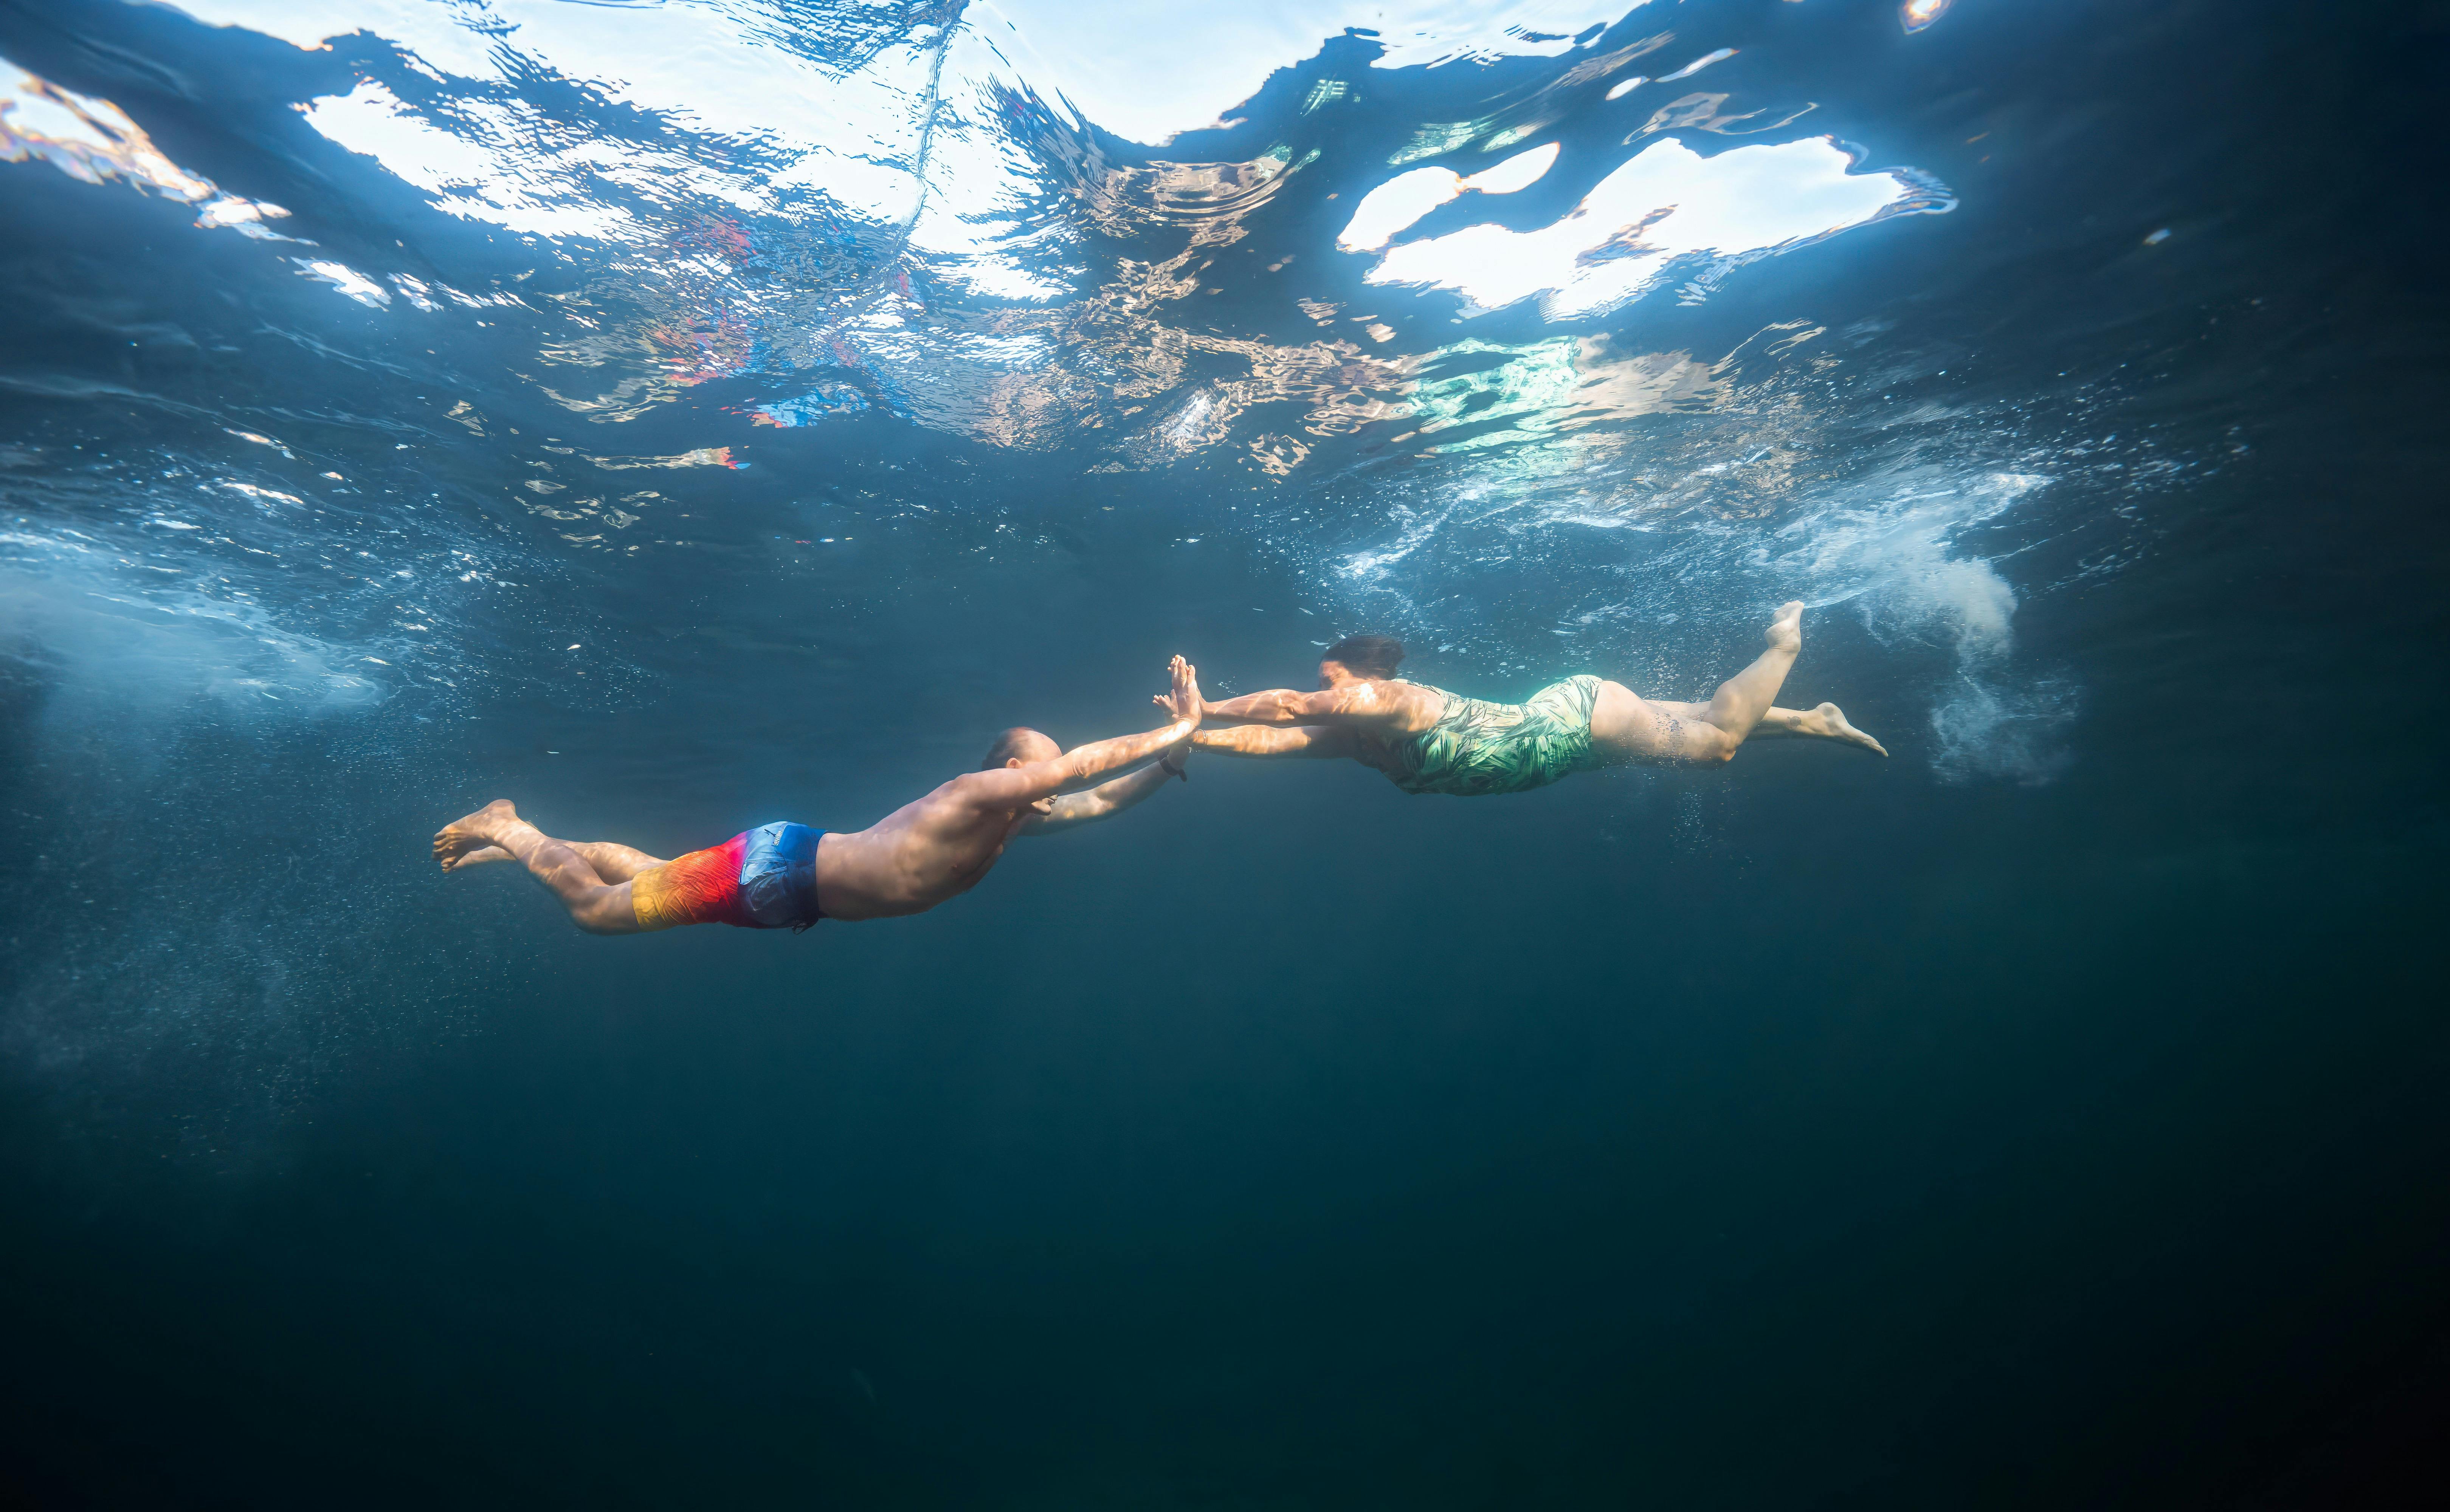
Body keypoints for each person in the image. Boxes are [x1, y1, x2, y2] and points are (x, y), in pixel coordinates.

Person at [431, 657, 1205, 933]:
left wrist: (1171, 766)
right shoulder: (974, 796)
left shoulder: (1010, 821)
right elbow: (1079, 771)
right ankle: (512, 829)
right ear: (1006, 770)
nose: (1047, 788)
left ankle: (523, 850)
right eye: (1037, 773)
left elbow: (1097, 801)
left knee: (646, 874)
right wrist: (1181, 727)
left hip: (783, 876)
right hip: (778, 874)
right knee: (596, 914)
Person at [1182, 603, 1884, 796]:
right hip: (1570, 749)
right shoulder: (1360, 739)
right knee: (1690, 723)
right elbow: (1274, 741)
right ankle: (1812, 719)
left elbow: (1289, 709)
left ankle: (1782, 644)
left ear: (1358, 677)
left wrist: (1208, 707)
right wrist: (1189, 740)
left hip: (1580, 719)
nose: (1326, 694)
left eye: (1330, 679)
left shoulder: (1394, 701)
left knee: (1715, 748)